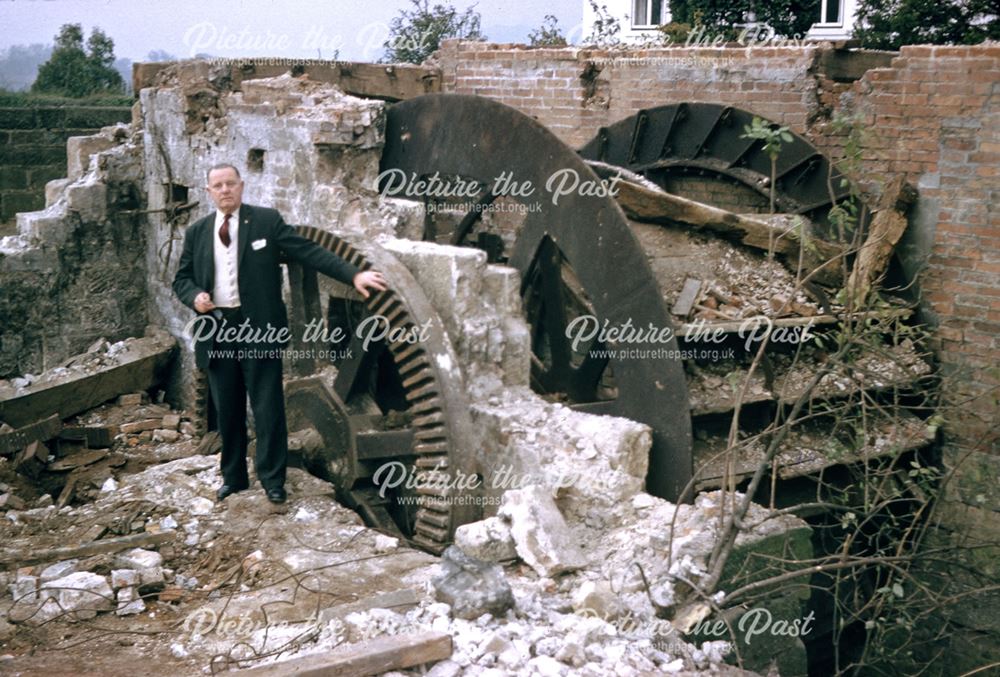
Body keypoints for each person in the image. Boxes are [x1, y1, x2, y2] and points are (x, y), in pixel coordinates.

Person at [172, 163, 387, 504]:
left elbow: (310, 251)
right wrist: (194, 296)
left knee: (268, 408)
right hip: (216, 329)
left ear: (241, 186)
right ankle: (233, 479)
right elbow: (181, 278)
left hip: (258, 330)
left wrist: (354, 275)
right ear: (209, 191)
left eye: (231, 183)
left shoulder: (265, 221)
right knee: (227, 410)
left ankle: (273, 480)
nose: (225, 190)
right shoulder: (197, 232)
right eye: (218, 185)